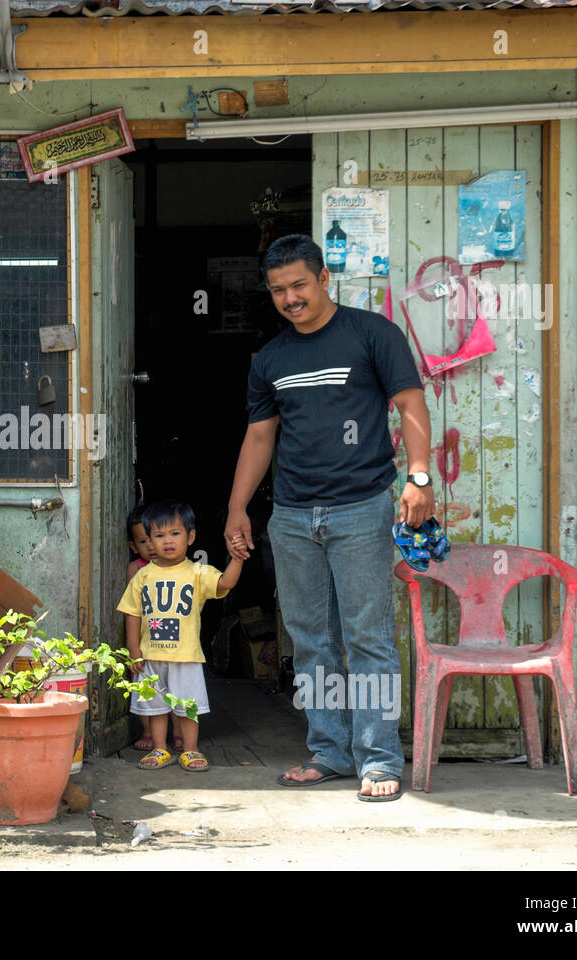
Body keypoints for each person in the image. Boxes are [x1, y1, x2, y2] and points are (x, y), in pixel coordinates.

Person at [224, 234, 433, 802]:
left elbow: (411, 405)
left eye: (298, 285)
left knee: (367, 638)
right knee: (310, 639)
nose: (290, 298)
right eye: (278, 290)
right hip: (291, 517)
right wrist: (238, 507)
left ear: (322, 279)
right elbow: (260, 435)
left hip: (362, 507)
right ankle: (330, 751)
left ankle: (379, 758)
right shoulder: (270, 359)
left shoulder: (372, 334)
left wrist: (418, 477)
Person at [118, 500, 243, 772]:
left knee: (187, 706)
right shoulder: (142, 575)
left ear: (191, 536)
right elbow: (132, 613)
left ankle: (191, 750)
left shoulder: (197, 572)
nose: (167, 541)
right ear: (149, 541)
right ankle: (160, 749)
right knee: (156, 707)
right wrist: (133, 650)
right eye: (159, 536)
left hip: (186, 656)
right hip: (150, 655)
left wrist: (236, 559)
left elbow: (226, 583)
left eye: (175, 533)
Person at [123, 505, 182, 752]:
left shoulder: (179, 566)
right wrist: (133, 647)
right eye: (143, 541)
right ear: (134, 547)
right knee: (147, 690)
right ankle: (148, 732)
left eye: (154, 538)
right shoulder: (136, 570)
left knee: (176, 690)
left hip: (175, 643)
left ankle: (179, 733)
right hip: (146, 641)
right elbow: (133, 608)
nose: (151, 546)